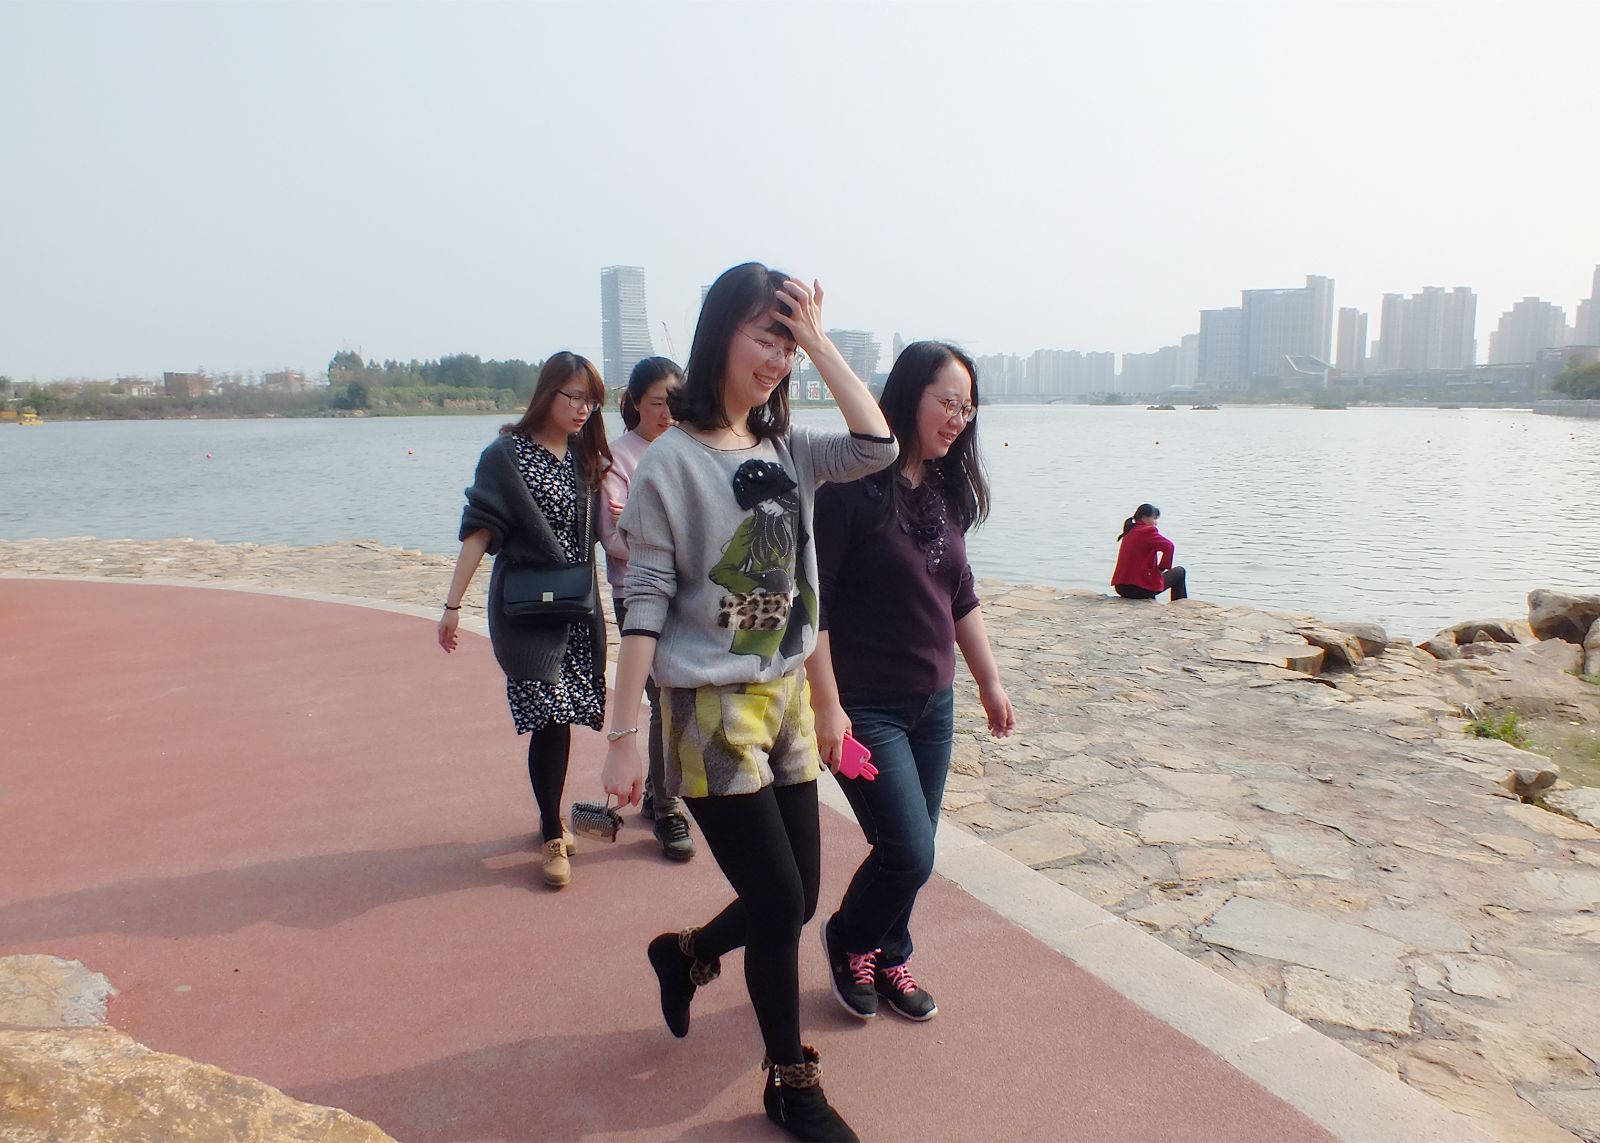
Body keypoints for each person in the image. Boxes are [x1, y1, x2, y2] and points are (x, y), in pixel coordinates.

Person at [601, 262, 896, 1142]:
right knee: (776, 905)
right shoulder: (670, 463)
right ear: (720, 333)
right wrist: (622, 734)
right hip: (708, 712)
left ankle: (687, 953)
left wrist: (819, 342)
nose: (778, 358)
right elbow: (645, 600)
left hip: (787, 699)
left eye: (788, 343)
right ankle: (790, 1080)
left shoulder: (788, 447)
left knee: (797, 898)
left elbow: (878, 445)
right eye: (766, 336)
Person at [805, 340, 1015, 1024]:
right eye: (947, 402)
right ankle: (850, 938)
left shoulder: (946, 492)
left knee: (913, 847)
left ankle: (890, 953)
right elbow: (815, 605)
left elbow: (960, 596)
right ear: (908, 395)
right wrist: (827, 705)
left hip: (933, 705)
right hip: (867, 706)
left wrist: (988, 682)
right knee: (909, 851)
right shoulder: (850, 489)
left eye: (968, 408)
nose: (958, 419)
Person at [438, 351, 612, 889]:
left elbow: (604, 531)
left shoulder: (585, 456)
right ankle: (552, 832)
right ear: (547, 394)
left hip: (576, 610)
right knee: (549, 715)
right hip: (526, 611)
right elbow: (479, 530)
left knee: (564, 715)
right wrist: (452, 605)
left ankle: (550, 815)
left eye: (591, 401)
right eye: (574, 397)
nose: (583, 409)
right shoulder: (505, 455)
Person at [597, 355, 695, 861]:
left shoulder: (689, 447)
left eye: (674, 403)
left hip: (687, 596)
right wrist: (668, 544)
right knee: (660, 699)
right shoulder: (618, 458)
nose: (667, 413)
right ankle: (667, 806)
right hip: (636, 594)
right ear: (634, 403)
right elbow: (613, 537)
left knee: (676, 699)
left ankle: (660, 792)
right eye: (657, 403)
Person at [1112, 503, 1188, 601]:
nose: (1155, 523)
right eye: (1154, 519)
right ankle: (1179, 605)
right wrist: (1161, 568)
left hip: (1121, 588)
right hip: (1138, 589)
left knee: (1150, 575)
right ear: (1144, 517)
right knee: (1180, 572)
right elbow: (1169, 546)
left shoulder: (1130, 529)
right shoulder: (1147, 531)